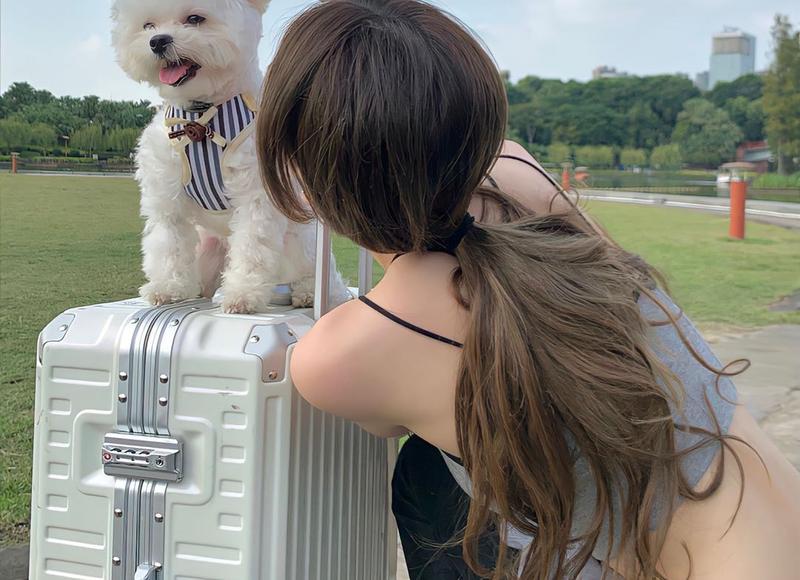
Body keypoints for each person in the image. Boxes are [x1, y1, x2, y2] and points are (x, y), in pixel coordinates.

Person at [255, 1, 800, 578]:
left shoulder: (339, 355)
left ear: (302, 167)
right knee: (433, 470)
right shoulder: (520, 177)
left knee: (427, 475)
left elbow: (387, 419)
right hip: (774, 514)